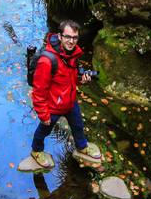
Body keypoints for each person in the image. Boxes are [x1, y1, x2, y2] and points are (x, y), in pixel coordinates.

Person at [30, 20, 101, 168]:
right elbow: (38, 90)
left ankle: (82, 147)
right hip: (53, 106)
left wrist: (82, 80)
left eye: (74, 37)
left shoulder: (72, 54)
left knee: (78, 126)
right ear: (60, 36)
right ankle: (36, 151)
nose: (71, 41)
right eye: (67, 37)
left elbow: (71, 78)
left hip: (69, 101)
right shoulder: (47, 60)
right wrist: (43, 113)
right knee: (44, 130)